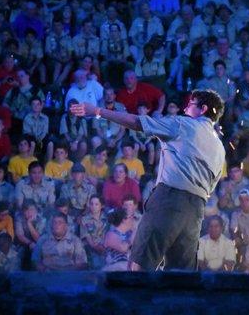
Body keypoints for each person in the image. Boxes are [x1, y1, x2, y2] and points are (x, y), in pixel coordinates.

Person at [71, 89, 225, 271]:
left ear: (203, 108)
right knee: (181, 278)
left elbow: (137, 122)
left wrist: (98, 111)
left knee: (139, 267)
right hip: (196, 211)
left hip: (170, 200)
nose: (185, 108)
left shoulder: (184, 125)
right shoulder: (219, 147)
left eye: (191, 104)